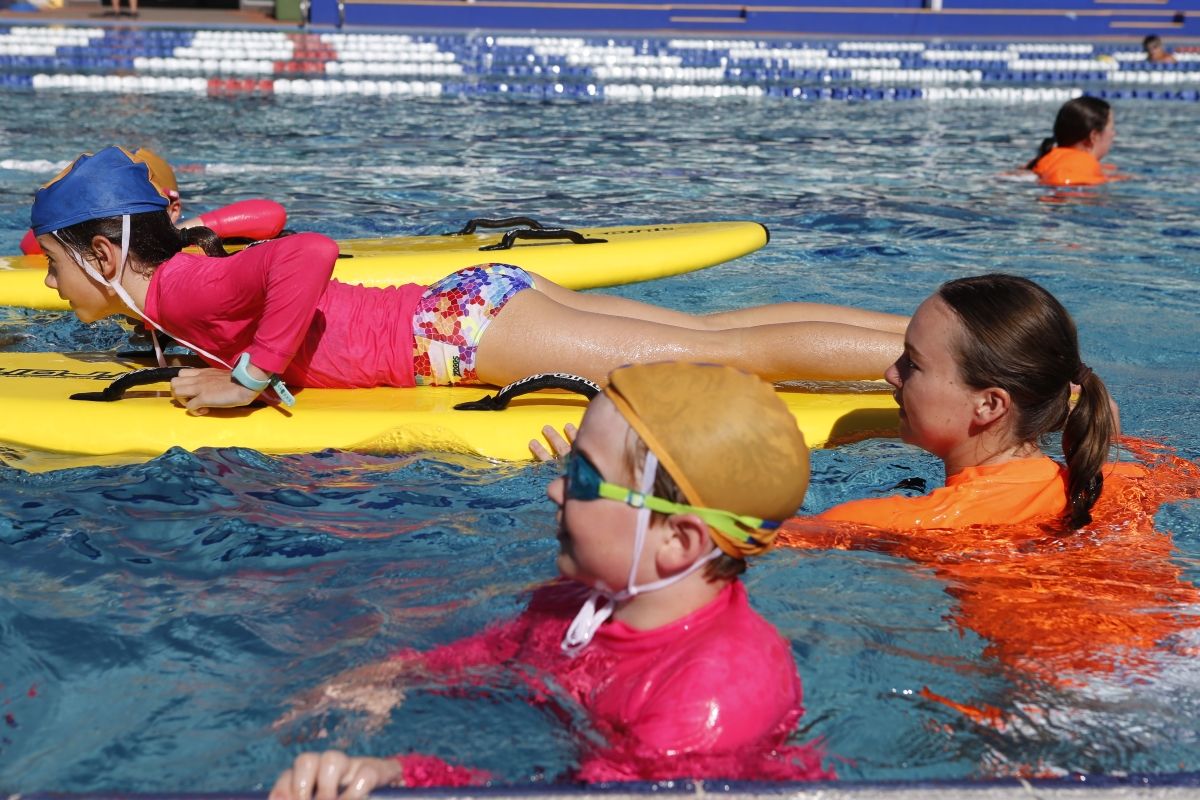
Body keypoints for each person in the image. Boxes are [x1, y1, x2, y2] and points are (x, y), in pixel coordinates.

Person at [270, 362, 833, 797]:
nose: (554, 491)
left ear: (677, 541)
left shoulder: (711, 696)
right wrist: (395, 676)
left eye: (584, 478)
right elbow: (501, 651)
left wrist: (399, 774)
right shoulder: (578, 604)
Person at [31, 147, 906, 414]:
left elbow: (310, 250)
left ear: (106, 257)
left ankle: (969, 361)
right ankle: (923, 336)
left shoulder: (181, 288)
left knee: (722, 358)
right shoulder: (176, 282)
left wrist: (249, 380)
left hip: (455, 337)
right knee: (717, 333)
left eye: (59, 267)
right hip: (467, 307)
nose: (53, 287)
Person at [773, 274, 1199, 684]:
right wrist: (1120, 436)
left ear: (990, 405)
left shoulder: (895, 520)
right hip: (1182, 643)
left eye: (913, 364)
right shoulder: (1125, 479)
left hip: (1082, 689)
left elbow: (733, 542)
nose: (890, 373)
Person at [19, 147, 287, 255]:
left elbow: (271, 214)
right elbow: (30, 243)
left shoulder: (199, 238)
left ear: (174, 209)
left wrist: (175, 235)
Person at [1025, 97, 1119, 187]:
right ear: (1094, 136)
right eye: (1112, 128)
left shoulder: (1047, 157)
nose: (1114, 134)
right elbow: (1062, 181)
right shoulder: (1080, 162)